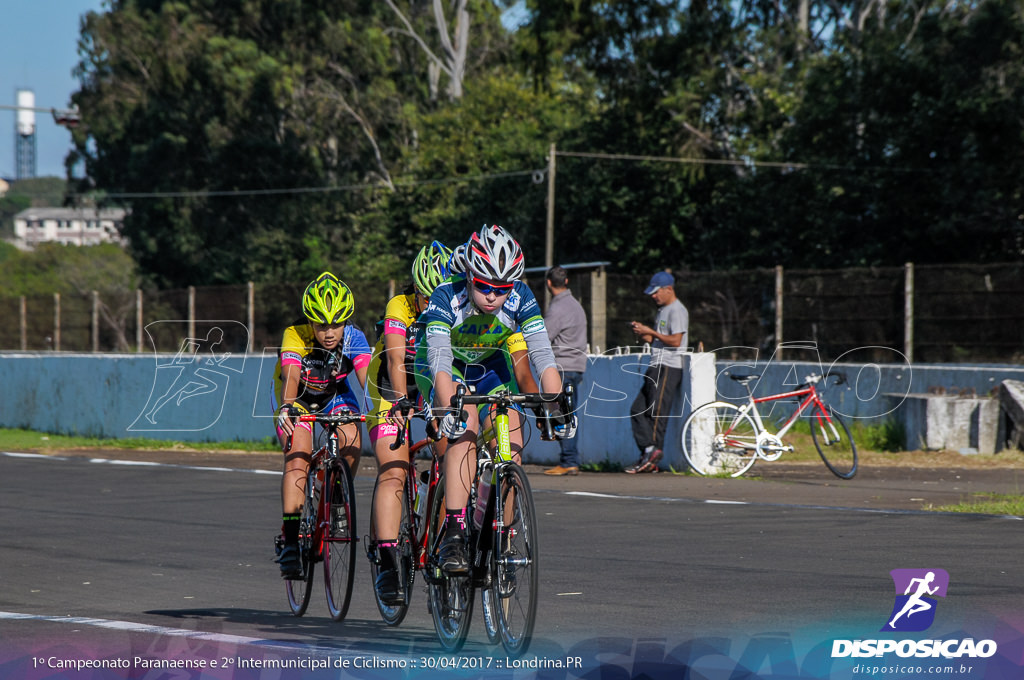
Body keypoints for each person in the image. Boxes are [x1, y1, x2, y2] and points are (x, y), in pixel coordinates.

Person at [415, 224, 570, 574]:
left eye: (500, 290)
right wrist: (448, 406)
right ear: (469, 276)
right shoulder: (446, 295)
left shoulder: (522, 296)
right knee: (465, 417)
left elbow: (542, 354)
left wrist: (555, 400)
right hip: (446, 366)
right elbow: (438, 361)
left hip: (489, 365)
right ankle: (454, 530)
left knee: (510, 437)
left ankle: (504, 532)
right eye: (483, 286)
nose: (491, 297)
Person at [364, 240, 451, 604]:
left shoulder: (458, 305)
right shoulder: (398, 307)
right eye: (423, 296)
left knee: (452, 461)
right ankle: (386, 560)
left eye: (438, 297)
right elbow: (397, 359)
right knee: (395, 470)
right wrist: (402, 402)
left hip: (432, 384)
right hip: (388, 384)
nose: (430, 305)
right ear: (413, 289)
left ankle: (445, 544)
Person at [273, 272, 371, 578]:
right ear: (309, 322)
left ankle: (337, 494)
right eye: (320, 325)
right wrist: (288, 407)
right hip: (298, 397)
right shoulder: (295, 335)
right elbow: (290, 375)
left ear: (347, 322)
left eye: (336, 324)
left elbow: (369, 381)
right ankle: (290, 540)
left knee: (352, 438)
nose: (329, 333)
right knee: (298, 458)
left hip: (334, 396)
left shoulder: (355, 338)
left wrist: (383, 408)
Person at [626, 270, 687, 473]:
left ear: (669, 289)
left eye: (656, 292)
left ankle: (652, 454)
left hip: (669, 366)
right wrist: (644, 333)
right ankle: (649, 450)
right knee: (637, 409)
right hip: (656, 364)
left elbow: (676, 341)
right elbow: (660, 339)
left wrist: (651, 332)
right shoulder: (662, 310)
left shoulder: (677, 310)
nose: (654, 296)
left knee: (657, 412)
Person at [542, 265, 588, 476]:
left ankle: (569, 460)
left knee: (563, 414)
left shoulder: (558, 308)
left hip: (563, 366)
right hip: (576, 365)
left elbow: (544, 337)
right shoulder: (576, 305)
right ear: (566, 281)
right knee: (569, 412)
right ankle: (570, 459)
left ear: (549, 283)